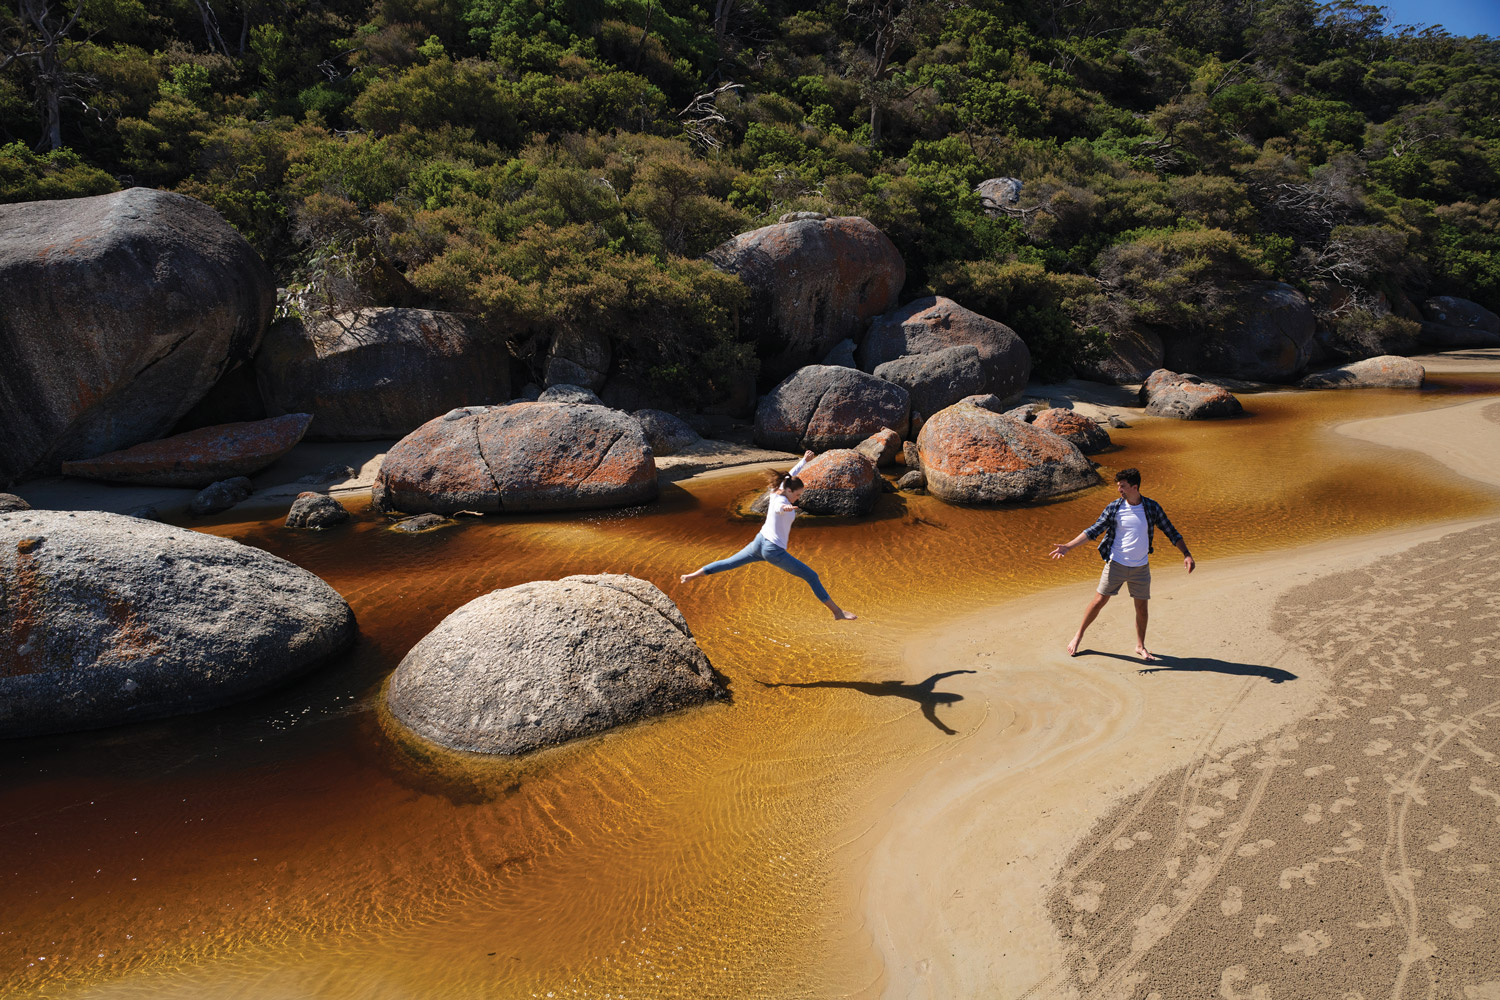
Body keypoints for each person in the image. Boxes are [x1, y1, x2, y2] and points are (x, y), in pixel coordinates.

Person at [680, 450, 858, 621]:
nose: (797, 498)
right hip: (773, 551)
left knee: (729, 563)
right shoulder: (781, 501)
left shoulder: (779, 489)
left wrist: (804, 461)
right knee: (812, 576)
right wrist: (786, 508)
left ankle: (690, 576)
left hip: (759, 542)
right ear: (789, 491)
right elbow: (778, 508)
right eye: (797, 495)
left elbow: (790, 474)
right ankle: (837, 612)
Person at [1048, 468, 1193, 661]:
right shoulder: (1114, 508)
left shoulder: (1151, 507)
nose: (1119, 490)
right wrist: (1068, 546)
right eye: (1118, 486)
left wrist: (1186, 554)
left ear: (1134, 487)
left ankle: (1140, 646)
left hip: (1141, 567)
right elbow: (1093, 531)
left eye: (1122, 486)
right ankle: (1078, 635)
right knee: (1099, 601)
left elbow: (1171, 531)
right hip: (1116, 564)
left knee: (1142, 608)